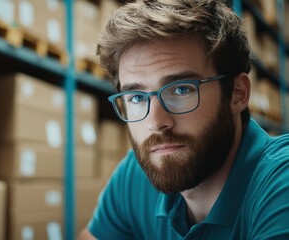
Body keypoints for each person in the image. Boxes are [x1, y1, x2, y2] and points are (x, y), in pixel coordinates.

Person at [78, 0, 289, 239]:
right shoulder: (138, 173)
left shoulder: (281, 181)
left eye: (180, 90)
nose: (156, 123)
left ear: (237, 93)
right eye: (136, 97)